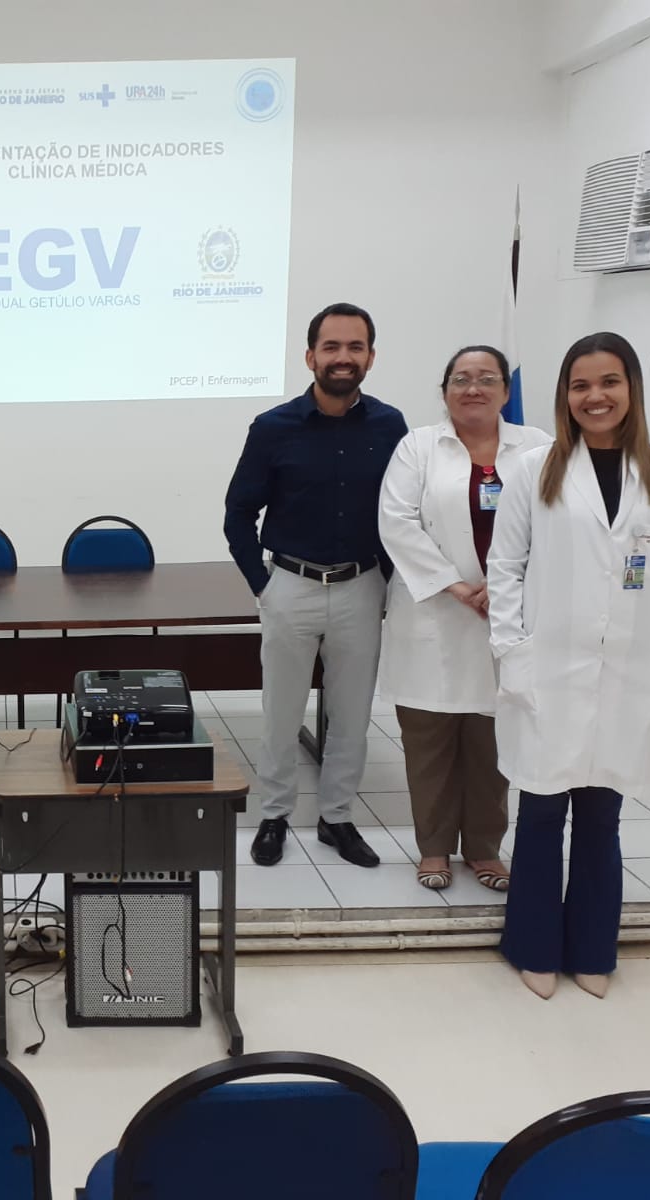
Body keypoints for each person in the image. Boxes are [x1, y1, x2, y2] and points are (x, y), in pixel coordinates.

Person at [488, 332, 650, 1000]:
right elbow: (506, 569)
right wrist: (512, 653)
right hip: (546, 668)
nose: (595, 397)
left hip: (629, 673)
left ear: (631, 388)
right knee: (543, 813)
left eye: (608, 382)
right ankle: (533, 946)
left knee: (603, 815)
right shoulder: (533, 469)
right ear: (564, 396)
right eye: (580, 385)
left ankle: (592, 948)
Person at [225, 302, 409, 869]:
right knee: (282, 714)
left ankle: (336, 819)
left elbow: (403, 513)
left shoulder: (391, 427)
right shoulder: (273, 427)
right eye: (331, 347)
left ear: (371, 357)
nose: (343, 357)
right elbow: (237, 515)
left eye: (355, 347)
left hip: (360, 587)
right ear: (310, 356)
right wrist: (265, 585)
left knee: (352, 715)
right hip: (291, 585)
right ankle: (274, 816)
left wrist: (385, 580)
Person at [378, 346, 552, 891]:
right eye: (460, 379)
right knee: (428, 740)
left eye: (486, 379)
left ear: (505, 390)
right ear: (445, 389)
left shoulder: (539, 447)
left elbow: (556, 522)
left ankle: (484, 848)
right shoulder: (419, 447)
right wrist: (460, 588)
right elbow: (397, 522)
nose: (472, 388)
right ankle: (432, 849)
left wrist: (504, 590)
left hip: (511, 615)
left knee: (492, 739)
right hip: (433, 617)